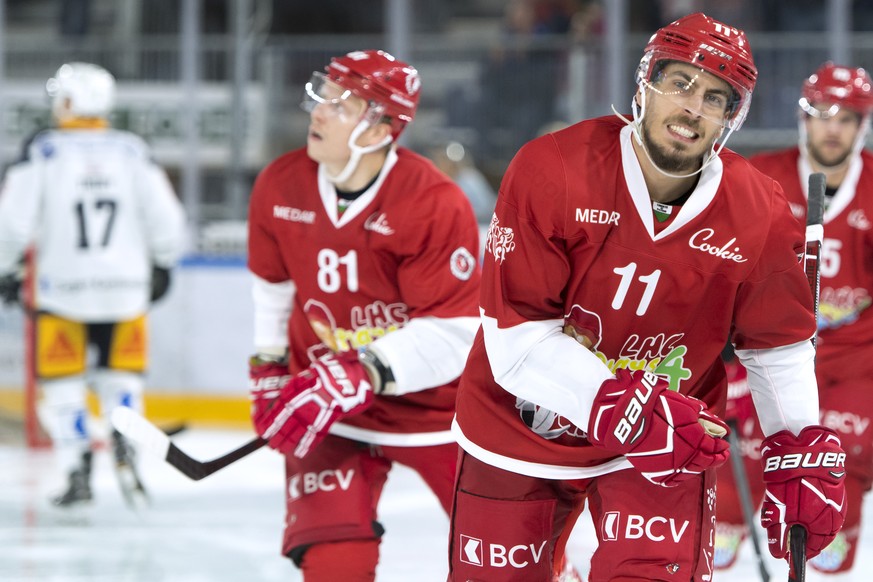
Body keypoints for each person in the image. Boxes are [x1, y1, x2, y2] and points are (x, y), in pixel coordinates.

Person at [447, 13, 848, 581]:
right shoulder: (552, 169)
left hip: (671, 439)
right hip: (522, 425)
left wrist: (798, 447)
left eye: (715, 97)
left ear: (731, 119)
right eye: (679, 83)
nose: (692, 108)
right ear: (644, 85)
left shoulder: (758, 209)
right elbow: (517, 340)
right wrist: (628, 409)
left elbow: (775, 345)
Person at [245, 50, 482, 581]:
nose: (319, 113)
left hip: (440, 414)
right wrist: (267, 370)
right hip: (335, 410)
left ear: (379, 132)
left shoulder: (433, 203)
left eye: (341, 105)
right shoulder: (281, 185)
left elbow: (455, 331)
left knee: (513, 564)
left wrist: (363, 368)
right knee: (334, 562)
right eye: (322, 97)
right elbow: (272, 290)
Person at [0, 62, 187, 507]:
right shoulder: (133, 151)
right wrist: (162, 262)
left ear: (67, 102)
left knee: (63, 385)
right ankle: (125, 438)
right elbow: (169, 220)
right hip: (125, 290)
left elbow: (12, 222)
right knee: (121, 379)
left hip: (61, 291)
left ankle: (76, 468)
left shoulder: (43, 151)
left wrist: (6, 268)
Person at [716, 61, 873, 580]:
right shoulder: (759, 176)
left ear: (861, 125)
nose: (834, 127)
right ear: (804, 118)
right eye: (823, 114)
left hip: (856, 360)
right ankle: (734, 510)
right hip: (766, 346)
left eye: (847, 118)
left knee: (835, 457)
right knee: (743, 442)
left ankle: (838, 509)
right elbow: (722, 258)